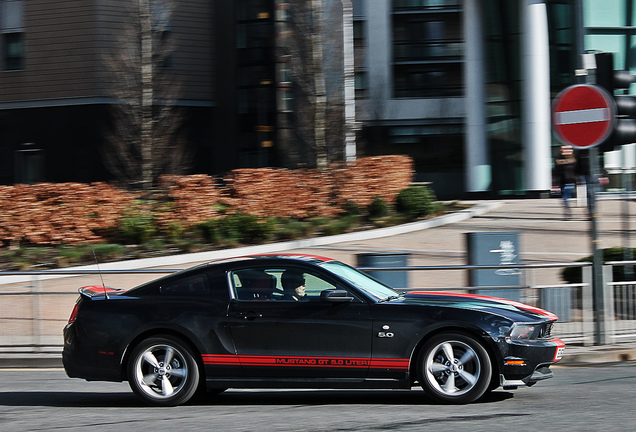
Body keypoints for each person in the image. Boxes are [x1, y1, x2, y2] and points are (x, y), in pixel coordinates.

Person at [554, 145, 577, 219]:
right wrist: (555, 182)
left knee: (566, 196)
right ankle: (567, 211)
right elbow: (556, 172)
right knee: (565, 197)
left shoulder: (574, 160)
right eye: (562, 149)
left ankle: (568, 211)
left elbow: (577, 171)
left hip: (571, 181)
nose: (563, 151)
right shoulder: (558, 160)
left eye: (566, 149)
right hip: (562, 181)